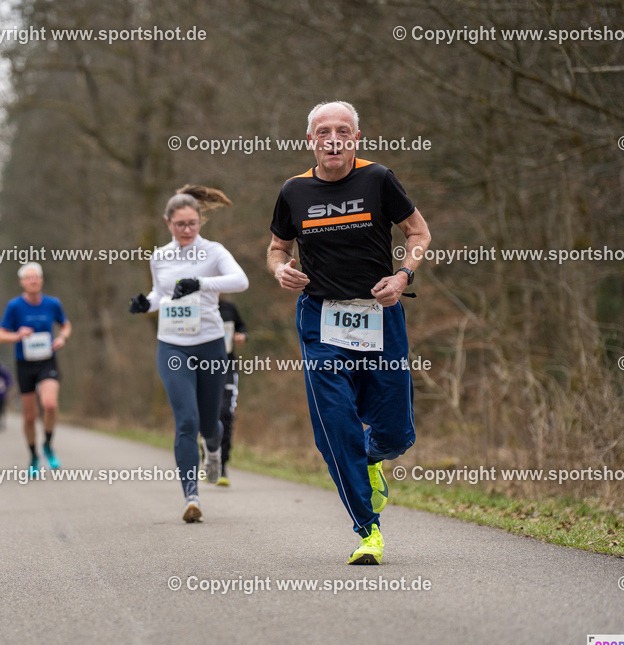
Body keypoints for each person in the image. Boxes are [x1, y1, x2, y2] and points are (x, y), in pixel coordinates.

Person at [266, 101, 431, 564]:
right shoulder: (294, 191)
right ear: (311, 142)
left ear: (356, 139)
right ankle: (368, 529)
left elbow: (419, 234)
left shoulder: (378, 179)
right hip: (320, 320)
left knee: (397, 434)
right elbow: (277, 248)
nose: (333, 138)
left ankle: (372, 458)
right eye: (323, 131)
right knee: (335, 426)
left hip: (381, 316)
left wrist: (402, 277)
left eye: (343, 131)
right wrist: (281, 270)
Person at [129, 185, 249, 522]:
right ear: (168, 222)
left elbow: (240, 281)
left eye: (192, 223)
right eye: (180, 224)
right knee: (186, 421)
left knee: (210, 423)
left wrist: (201, 283)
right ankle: (190, 497)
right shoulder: (159, 256)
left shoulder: (213, 252)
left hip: (210, 343)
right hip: (172, 345)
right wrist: (145, 303)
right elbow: (158, 293)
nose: (187, 230)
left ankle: (214, 449)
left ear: (200, 222)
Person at [0, 262, 71, 476]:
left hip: (47, 360)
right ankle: (33, 455)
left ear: (41, 280)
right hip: (25, 363)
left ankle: (47, 444)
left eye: (36, 277)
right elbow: (0, 335)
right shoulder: (15, 306)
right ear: (22, 282)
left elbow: (65, 324)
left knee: (50, 405)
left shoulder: (52, 303)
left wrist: (62, 337)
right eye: (29, 278)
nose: (33, 281)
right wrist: (17, 335)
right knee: (29, 417)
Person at [210, 298, 247, 487]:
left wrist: (242, 335)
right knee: (207, 415)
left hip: (227, 367)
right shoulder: (194, 305)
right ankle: (208, 456)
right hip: (202, 368)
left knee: (226, 413)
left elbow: (242, 327)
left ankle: (222, 465)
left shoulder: (229, 308)